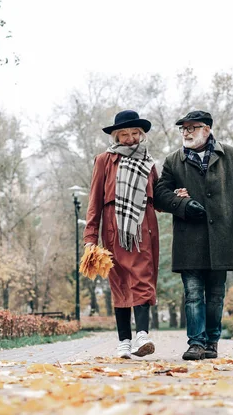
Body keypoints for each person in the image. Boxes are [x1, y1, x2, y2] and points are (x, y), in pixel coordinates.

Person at [154, 110, 233, 360]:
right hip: (189, 239)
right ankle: (196, 343)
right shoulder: (173, 160)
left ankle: (212, 342)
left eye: (192, 128)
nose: (186, 132)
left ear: (207, 129)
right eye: (183, 128)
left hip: (223, 237)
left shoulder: (232, 156)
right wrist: (181, 205)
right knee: (193, 293)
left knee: (215, 295)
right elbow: (160, 193)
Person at [83, 110, 159, 359]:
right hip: (114, 228)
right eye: (124, 134)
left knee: (142, 278)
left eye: (135, 133)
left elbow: (159, 198)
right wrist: (90, 239)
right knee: (119, 281)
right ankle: (124, 341)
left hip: (143, 228)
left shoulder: (149, 162)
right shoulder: (104, 160)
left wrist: (177, 197)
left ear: (141, 134)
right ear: (116, 135)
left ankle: (142, 336)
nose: (130, 138)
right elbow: (94, 201)